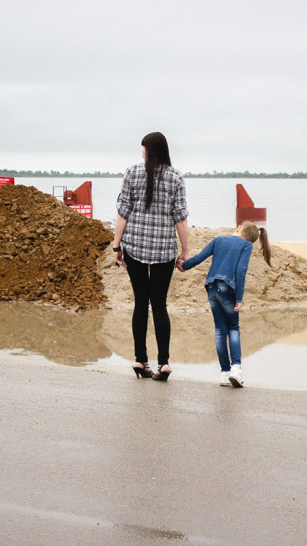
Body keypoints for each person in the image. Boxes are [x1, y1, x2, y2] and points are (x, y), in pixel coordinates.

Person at [112, 132, 189, 382]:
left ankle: (140, 360)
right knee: (159, 305)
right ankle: (163, 363)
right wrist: (185, 251)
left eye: (143, 148)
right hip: (164, 250)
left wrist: (116, 246)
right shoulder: (176, 177)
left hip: (134, 247)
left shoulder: (132, 172)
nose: (141, 152)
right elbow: (180, 218)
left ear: (149, 150)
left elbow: (123, 212)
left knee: (140, 303)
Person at [176, 221, 271, 387]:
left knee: (220, 330)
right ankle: (236, 369)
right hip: (227, 288)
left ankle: (224, 373)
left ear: (238, 228)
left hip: (211, 287)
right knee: (233, 328)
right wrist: (239, 299)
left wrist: (184, 266)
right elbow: (240, 271)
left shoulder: (219, 240)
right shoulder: (246, 246)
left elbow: (199, 257)